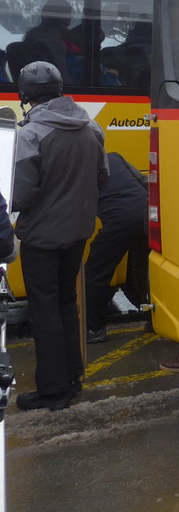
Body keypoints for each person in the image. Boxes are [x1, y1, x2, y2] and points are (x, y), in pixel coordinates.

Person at [11, 61, 108, 411]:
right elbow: (102, 177)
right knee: (67, 302)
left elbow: (21, 195)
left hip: (41, 236)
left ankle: (53, 390)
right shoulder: (91, 128)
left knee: (44, 310)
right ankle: (72, 377)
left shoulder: (30, 135)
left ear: (25, 95)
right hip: (78, 231)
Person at [84, 151, 149, 344]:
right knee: (142, 272)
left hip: (119, 220)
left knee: (95, 273)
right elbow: (144, 182)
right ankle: (155, 317)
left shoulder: (81, 166)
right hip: (146, 214)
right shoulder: (115, 157)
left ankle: (93, 328)